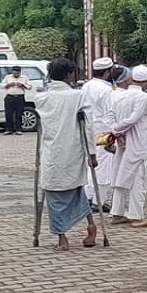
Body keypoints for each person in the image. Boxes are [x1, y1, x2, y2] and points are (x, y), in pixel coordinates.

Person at [35, 57, 99, 250]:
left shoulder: (41, 98)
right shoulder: (77, 96)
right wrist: (92, 154)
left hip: (51, 154)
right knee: (77, 189)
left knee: (55, 194)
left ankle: (62, 239)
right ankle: (91, 224)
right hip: (74, 152)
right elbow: (88, 127)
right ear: (69, 75)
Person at [108, 65, 147, 227]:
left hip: (123, 142)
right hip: (138, 143)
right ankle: (136, 216)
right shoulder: (142, 97)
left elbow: (110, 116)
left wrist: (116, 133)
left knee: (121, 177)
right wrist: (117, 131)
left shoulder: (117, 95)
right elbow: (133, 119)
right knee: (139, 179)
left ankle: (117, 213)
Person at [81, 57, 118, 212]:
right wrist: (114, 134)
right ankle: (99, 201)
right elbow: (110, 114)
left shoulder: (86, 86)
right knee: (104, 166)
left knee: (90, 164)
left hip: (88, 128)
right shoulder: (107, 90)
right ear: (108, 72)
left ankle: (89, 197)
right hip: (103, 131)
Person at [1, 65, 31, 135]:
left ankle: (18, 129)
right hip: (9, 97)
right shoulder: (7, 77)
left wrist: (23, 85)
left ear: (20, 72)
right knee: (8, 114)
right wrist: (9, 84)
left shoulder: (24, 78)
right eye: (15, 73)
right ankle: (9, 129)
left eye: (17, 73)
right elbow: (1, 86)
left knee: (19, 114)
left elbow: (29, 86)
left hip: (20, 97)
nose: (16, 74)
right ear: (12, 72)